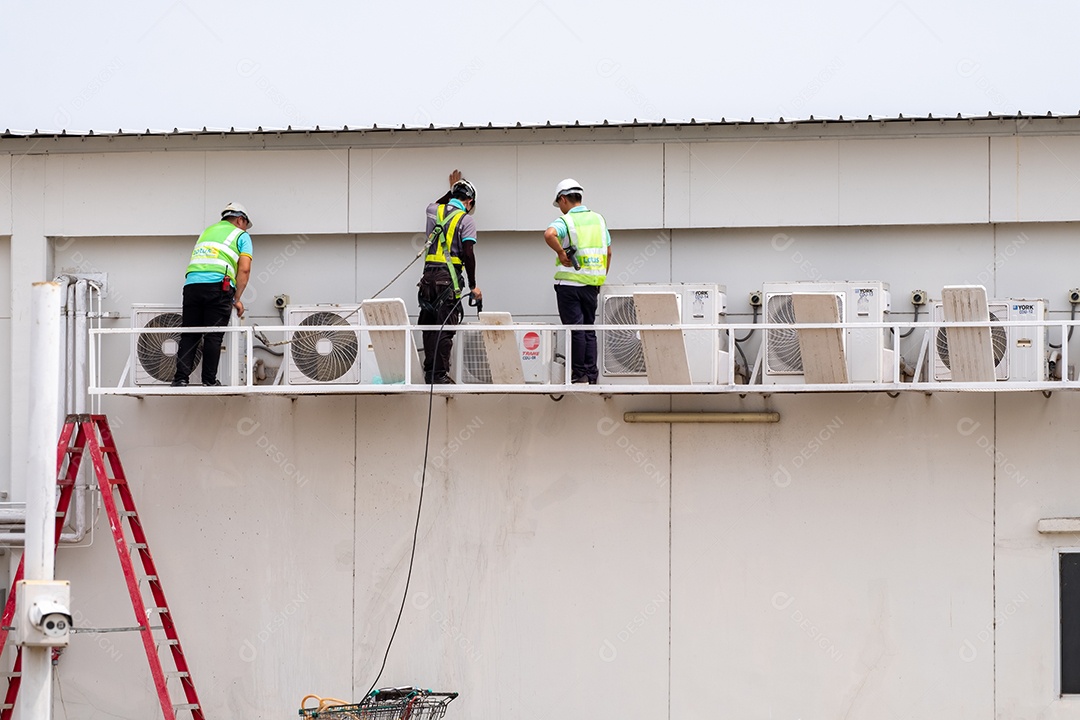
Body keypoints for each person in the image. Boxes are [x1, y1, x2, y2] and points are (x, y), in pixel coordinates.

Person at [171, 202, 254, 387]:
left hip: (191, 286)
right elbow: (245, 270)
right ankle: (209, 381)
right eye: (245, 224)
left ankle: (180, 379)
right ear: (240, 219)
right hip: (218, 287)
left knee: (190, 334)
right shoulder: (242, 236)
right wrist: (237, 298)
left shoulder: (206, 232)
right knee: (213, 335)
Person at [544, 178, 611, 384]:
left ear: (563, 199)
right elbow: (608, 251)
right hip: (592, 285)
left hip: (569, 285)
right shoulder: (599, 220)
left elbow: (549, 234)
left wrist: (561, 252)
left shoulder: (566, 221)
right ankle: (591, 374)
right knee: (589, 329)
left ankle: (578, 373)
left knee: (575, 329)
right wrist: (600, 277)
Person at [418, 170, 482, 384]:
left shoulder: (433, 210)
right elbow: (468, 254)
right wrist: (473, 286)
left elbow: (439, 203)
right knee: (445, 327)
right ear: (470, 201)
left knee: (428, 325)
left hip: (427, 279)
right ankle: (439, 375)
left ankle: (429, 373)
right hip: (448, 280)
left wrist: (452, 190)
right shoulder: (467, 220)